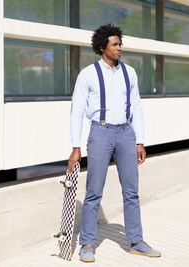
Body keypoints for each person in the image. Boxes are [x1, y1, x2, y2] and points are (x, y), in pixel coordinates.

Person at [68, 24, 161, 263]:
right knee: (93, 193)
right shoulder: (87, 74)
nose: (120, 48)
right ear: (102, 48)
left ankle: (136, 241)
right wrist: (75, 147)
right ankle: (87, 244)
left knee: (131, 192)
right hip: (100, 133)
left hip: (126, 134)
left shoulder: (129, 72)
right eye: (115, 44)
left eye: (120, 44)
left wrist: (140, 140)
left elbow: (138, 107)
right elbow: (76, 110)